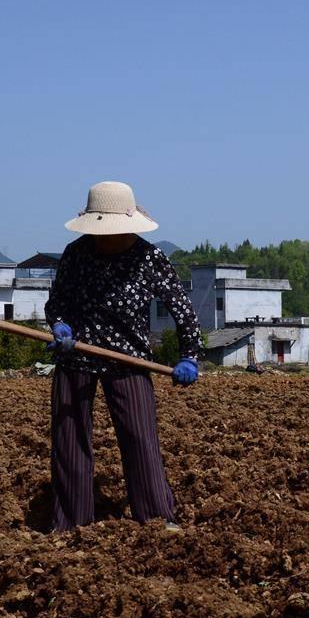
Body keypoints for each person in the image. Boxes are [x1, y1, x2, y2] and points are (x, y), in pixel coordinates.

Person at [44, 181, 201, 533]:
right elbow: (57, 304)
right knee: (70, 439)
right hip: (76, 357)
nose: (104, 238)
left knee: (139, 437)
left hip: (129, 359)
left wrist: (189, 356)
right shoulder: (76, 253)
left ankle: (158, 518)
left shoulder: (150, 258)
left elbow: (183, 311)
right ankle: (70, 524)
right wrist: (62, 328)